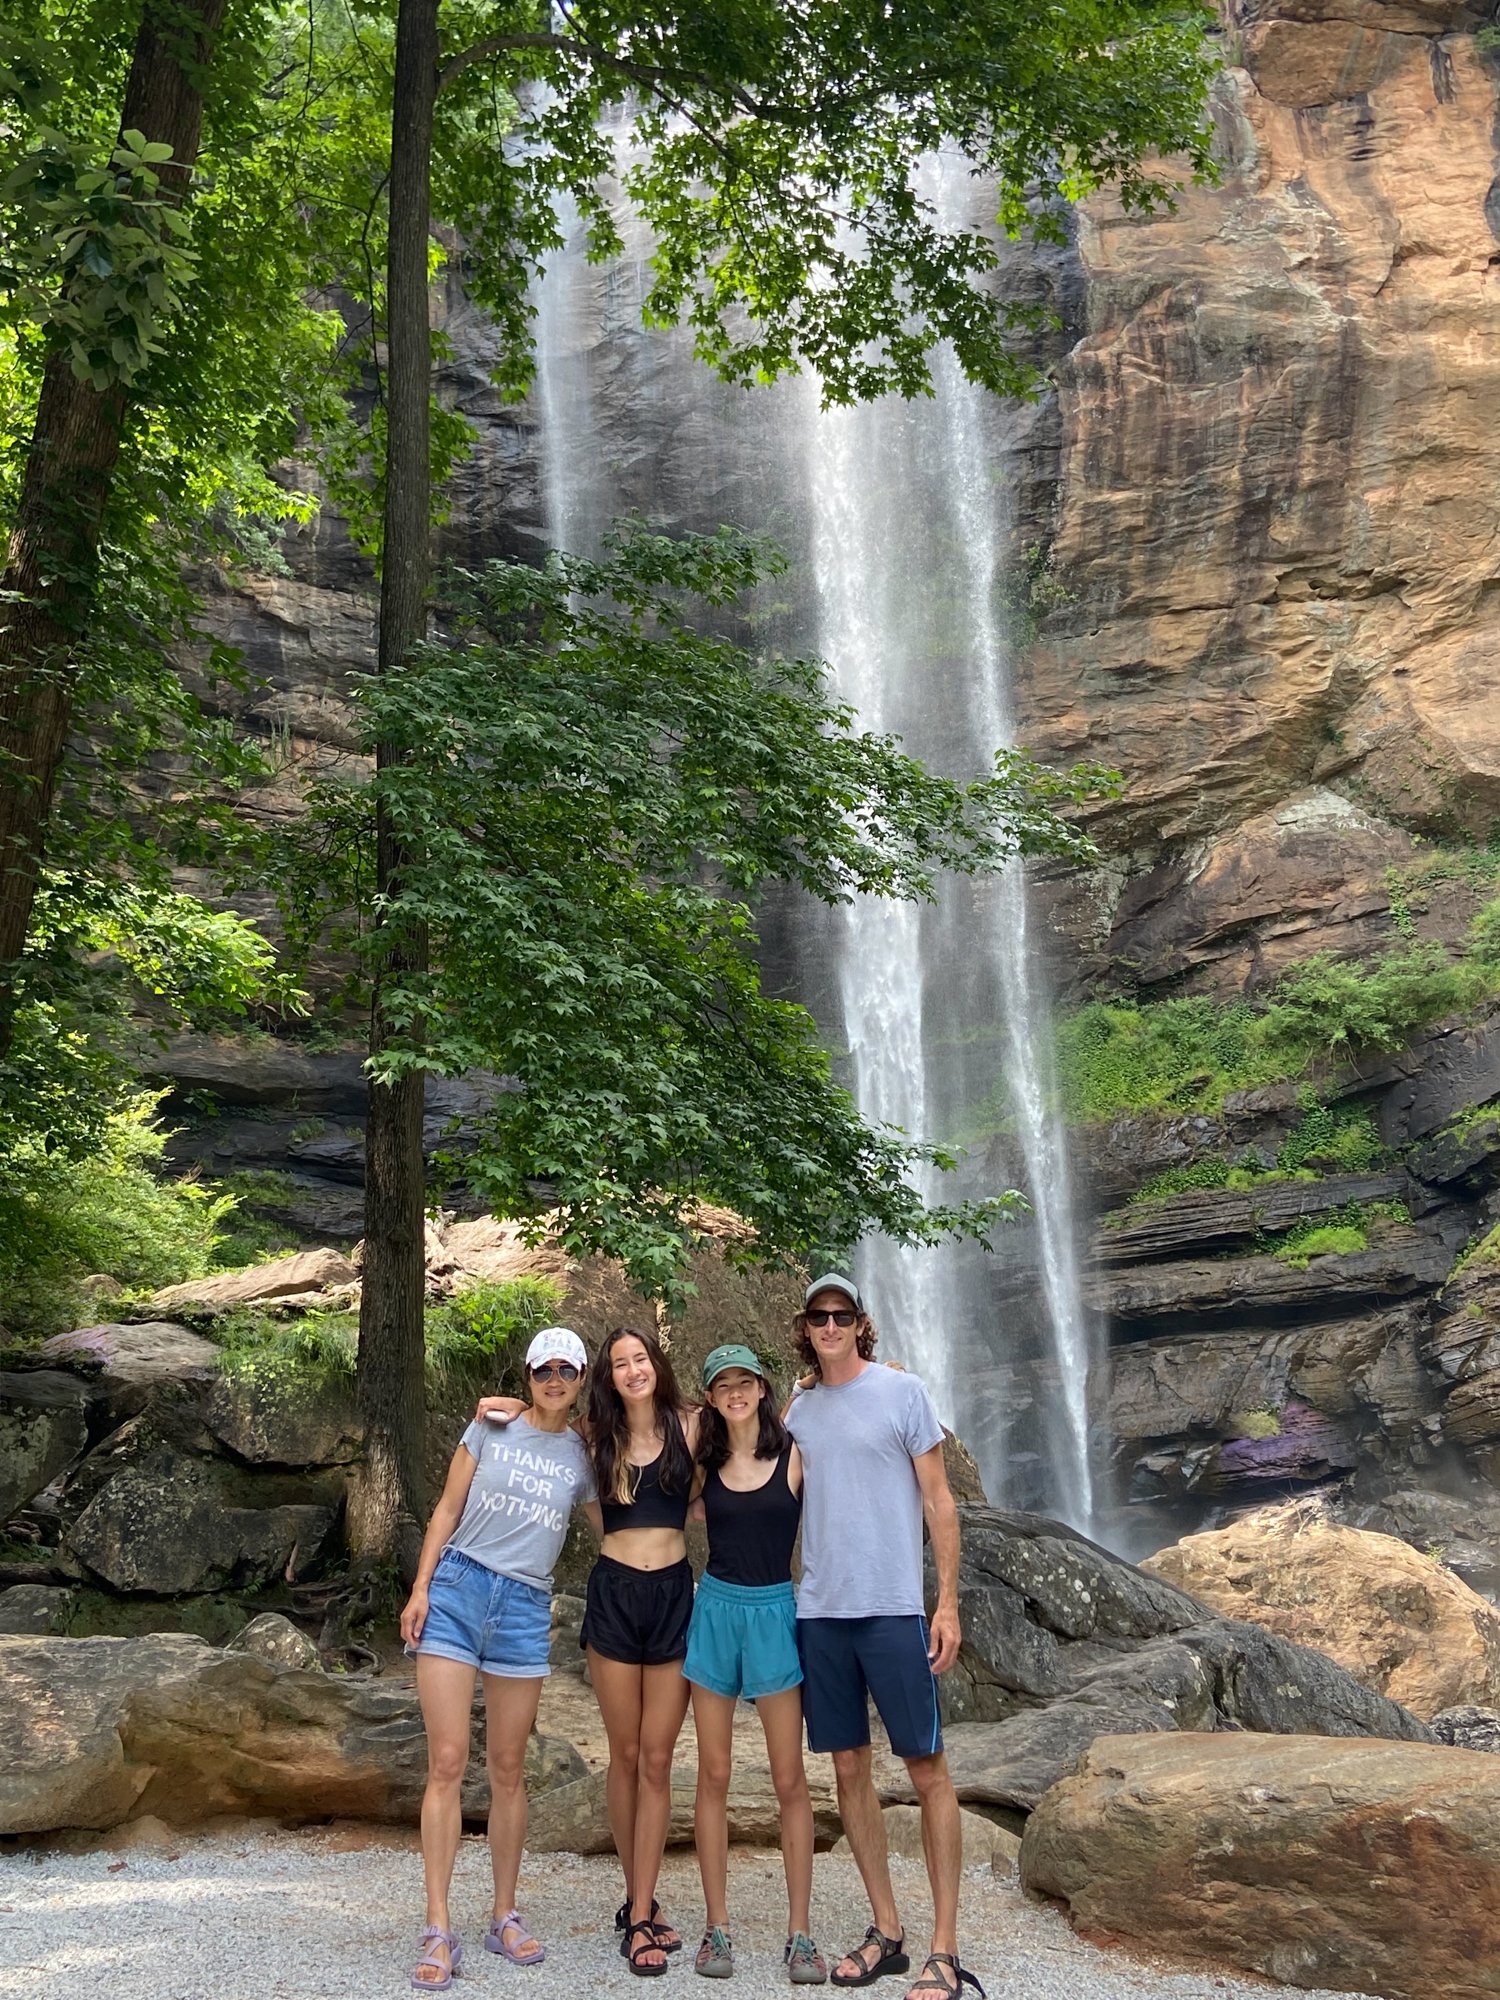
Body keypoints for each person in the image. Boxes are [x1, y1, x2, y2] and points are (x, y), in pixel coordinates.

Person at [784, 1277, 983, 2000]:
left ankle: (945, 1947)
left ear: (859, 1323)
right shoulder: (800, 1409)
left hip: (894, 1610)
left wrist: (948, 1603)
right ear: (805, 1328)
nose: (830, 1325)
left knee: (928, 1769)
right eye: (818, 1316)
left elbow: (939, 1500)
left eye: (841, 1315)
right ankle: (888, 1929)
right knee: (848, 1772)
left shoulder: (903, 1393)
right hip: (821, 1614)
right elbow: (758, 1483)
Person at [479, 1324, 699, 1979]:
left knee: (658, 1759)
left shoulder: (692, 1426)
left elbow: (759, 1415)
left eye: (641, 1359)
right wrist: (512, 1406)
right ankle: (638, 1914)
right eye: (620, 1363)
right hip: (614, 1593)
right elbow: (529, 1416)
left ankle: (641, 1901)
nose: (633, 1370)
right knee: (625, 1754)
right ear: (606, 1377)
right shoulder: (591, 1436)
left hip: (673, 1596)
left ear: (656, 1364)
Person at [399, 1325, 600, 1991]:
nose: (553, 1380)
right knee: (448, 1760)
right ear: (528, 1375)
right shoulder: (489, 1427)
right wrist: (422, 1587)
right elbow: (446, 1510)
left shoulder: (585, 1454)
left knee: (510, 1769)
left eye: (565, 1371)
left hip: (523, 1608)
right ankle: (437, 1924)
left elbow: (615, 1529)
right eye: (543, 1369)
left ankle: (504, 1914)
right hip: (458, 1588)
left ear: (578, 1380)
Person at [683, 1342, 825, 1986]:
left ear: (763, 1389)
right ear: (711, 1398)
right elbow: (633, 1432)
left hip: (774, 1612)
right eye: (723, 1385)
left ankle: (800, 1934)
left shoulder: (795, 1453)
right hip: (714, 1610)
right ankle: (717, 1927)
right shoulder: (701, 1459)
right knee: (712, 1775)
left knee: (790, 1779)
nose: (736, 1392)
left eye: (746, 1382)